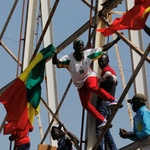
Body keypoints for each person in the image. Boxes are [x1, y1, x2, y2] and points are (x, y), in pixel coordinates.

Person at [52, 36, 121, 128]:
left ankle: (112, 100)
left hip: (89, 76)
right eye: (78, 46)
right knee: (85, 104)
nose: (80, 48)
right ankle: (102, 120)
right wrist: (55, 54)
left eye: (82, 46)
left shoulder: (87, 53)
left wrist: (115, 41)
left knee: (91, 86)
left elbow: (103, 48)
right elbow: (56, 62)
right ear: (74, 49)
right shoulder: (68, 58)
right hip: (79, 83)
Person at [96, 53, 117, 150]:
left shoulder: (106, 70)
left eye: (103, 61)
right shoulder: (110, 71)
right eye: (99, 61)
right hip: (109, 103)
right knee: (106, 129)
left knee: (100, 128)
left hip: (104, 103)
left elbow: (110, 81)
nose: (101, 63)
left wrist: (102, 92)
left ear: (107, 61)